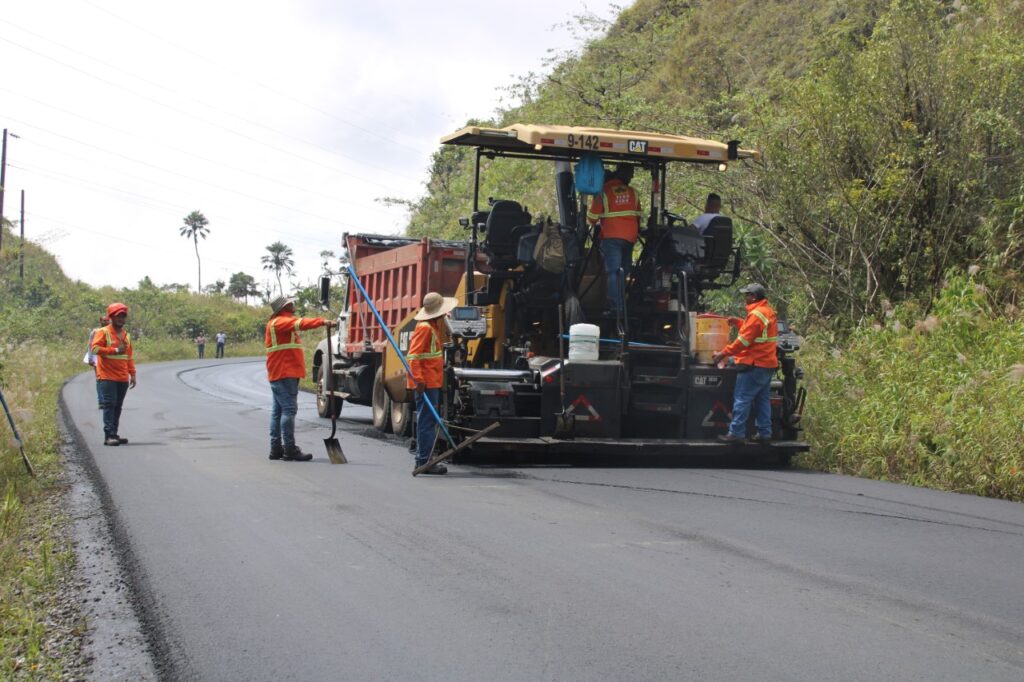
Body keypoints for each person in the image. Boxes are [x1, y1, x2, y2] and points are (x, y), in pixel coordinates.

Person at [265, 296, 332, 461]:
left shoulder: (278, 323)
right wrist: (322, 322)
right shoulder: (280, 322)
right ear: (284, 306)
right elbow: (301, 323)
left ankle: (276, 449)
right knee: (288, 410)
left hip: (281, 372)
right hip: (285, 372)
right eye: (290, 302)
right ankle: (289, 449)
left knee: (277, 412)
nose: (293, 304)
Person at [711, 283, 779, 444]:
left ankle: (736, 433)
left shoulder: (756, 314)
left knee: (742, 398)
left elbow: (743, 341)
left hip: (754, 364)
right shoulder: (767, 311)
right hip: (767, 364)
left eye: (747, 295)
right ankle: (764, 434)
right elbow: (756, 331)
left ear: (753, 297)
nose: (745, 298)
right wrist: (739, 322)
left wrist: (722, 354)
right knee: (762, 400)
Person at [408, 291, 457, 475]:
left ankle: (424, 459)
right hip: (426, 384)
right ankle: (423, 461)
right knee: (427, 422)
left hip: (432, 382)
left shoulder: (433, 326)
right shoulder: (425, 328)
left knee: (428, 421)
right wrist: (419, 381)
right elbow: (413, 357)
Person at [587, 163, 642, 314]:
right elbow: (638, 216)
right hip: (630, 237)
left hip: (611, 237)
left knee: (613, 272)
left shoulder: (603, 192)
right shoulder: (633, 192)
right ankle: (623, 303)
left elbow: (591, 218)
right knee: (623, 271)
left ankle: (615, 307)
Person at [91, 303, 136, 446]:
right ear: (111, 317)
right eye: (118, 316)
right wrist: (115, 350)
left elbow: (129, 356)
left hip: (122, 377)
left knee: (118, 406)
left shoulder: (126, 335)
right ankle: (109, 435)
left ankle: (115, 434)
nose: (121, 319)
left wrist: (132, 374)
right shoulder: (103, 332)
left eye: (123, 316)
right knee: (110, 405)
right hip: (107, 376)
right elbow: (95, 349)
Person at [84, 315, 110, 406]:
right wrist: (90, 358)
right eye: (104, 320)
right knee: (99, 378)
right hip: (96, 357)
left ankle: (107, 399)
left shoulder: (112, 331)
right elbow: (90, 345)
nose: (106, 322)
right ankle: (101, 400)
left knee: (109, 379)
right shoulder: (95, 332)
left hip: (108, 358)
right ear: (100, 321)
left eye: (107, 320)